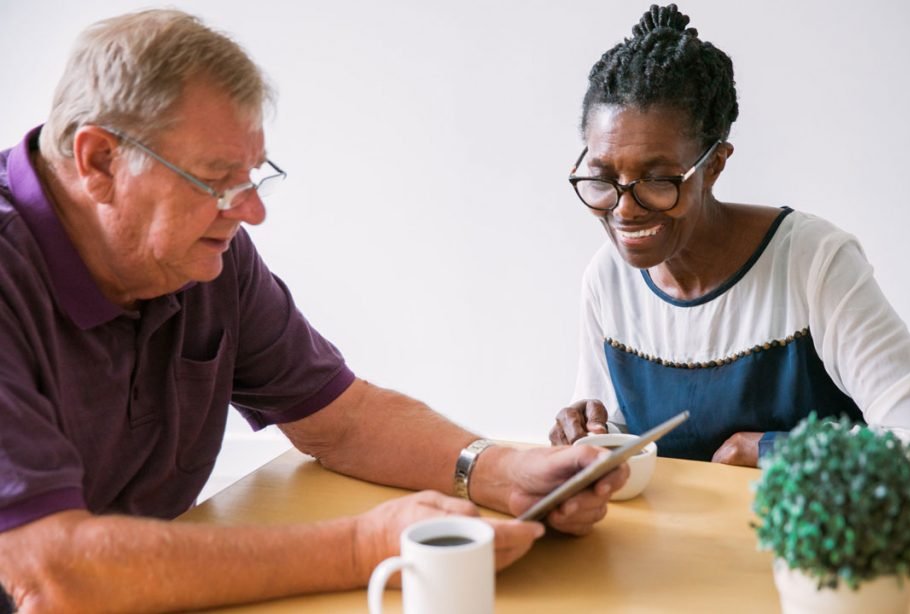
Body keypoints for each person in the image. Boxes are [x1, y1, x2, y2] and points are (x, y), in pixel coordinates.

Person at [0, 9, 628, 613]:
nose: (251, 212)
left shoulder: (200, 254)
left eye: (253, 177)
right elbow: (54, 575)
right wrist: (363, 546)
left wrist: (503, 470)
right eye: (218, 180)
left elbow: (342, 419)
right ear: (100, 161)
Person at [548, 4, 910, 493]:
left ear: (715, 165)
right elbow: (618, 439)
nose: (624, 210)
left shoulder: (813, 262)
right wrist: (589, 433)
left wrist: (773, 450)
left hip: (813, 558)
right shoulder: (608, 278)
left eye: (658, 180)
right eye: (602, 178)